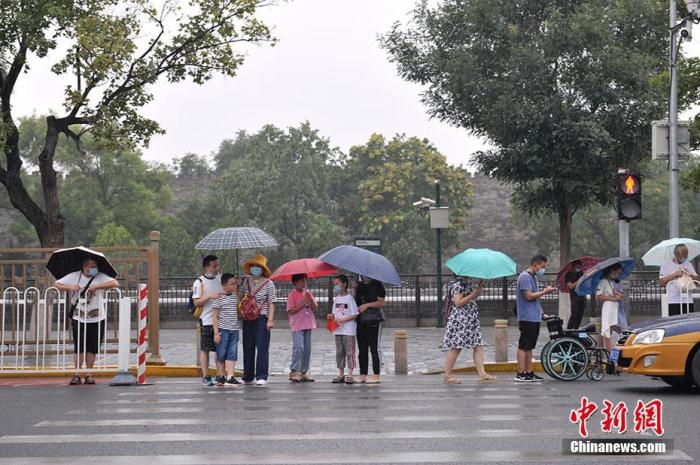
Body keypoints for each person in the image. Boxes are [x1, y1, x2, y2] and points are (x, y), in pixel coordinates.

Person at [54, 257, 119, 385]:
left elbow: (115, 283)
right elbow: (56, 284)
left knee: (92, 347)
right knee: (79, 347)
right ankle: (77, 374)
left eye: (95, 266)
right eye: (90, 266)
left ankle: (89, 374)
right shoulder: (75, 276)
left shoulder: (100, 276)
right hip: (79, 316)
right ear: (84, 266)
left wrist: (97, 286)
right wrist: (71, 287)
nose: (93, 268)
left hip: (97, 316)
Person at [442, 276, 495, 384]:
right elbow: (458, 302)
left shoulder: (466, 283)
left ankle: (482, 374)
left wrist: (478, 291)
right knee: (457, 347)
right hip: (462, 320)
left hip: (470, 319)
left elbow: (470, 299)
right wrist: (473, 294)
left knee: (478, 345)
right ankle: (447, 375)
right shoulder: (459, 284)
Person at [515, 254, 556, 383]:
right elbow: (528, 296)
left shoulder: (532, 277)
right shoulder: (525, 277)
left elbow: (535, 299)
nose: (543, 269)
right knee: (523, 345)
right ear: (535, 264)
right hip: (527, 317)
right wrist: (545, 291)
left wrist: (541, 313)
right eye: (542, 266)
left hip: (534, 316)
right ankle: (521, 373)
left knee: (529, 346)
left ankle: (529, 372)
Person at [241, 255, 276, 387]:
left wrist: (270, 320)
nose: (255, 269)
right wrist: (238, 286)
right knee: (247, 346)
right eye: (253, 266)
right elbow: (240, 298)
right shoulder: (246, 282)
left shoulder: (269, 283)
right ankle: (248, 376)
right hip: (248, 318)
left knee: (262, 347)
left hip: (262, 318)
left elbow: (272, 302)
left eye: (258, 267)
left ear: (263, 269)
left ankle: (261, 375)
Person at [192, 255, 223, 387]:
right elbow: (197, 302)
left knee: (220, 350)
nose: (216, 268)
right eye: (214, 265)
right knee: (205, 349)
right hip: (206, 320)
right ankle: (206, 375)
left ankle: (220, 374)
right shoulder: (199, 282)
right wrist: (209, 296)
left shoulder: (221, 279)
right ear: (206, 267)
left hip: (221, 321)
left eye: (217, 265)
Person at [287, 273, 317, 383]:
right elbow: (291, 311)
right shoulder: (292, 295)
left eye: (305, 281)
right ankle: (294, 371)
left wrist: (310, 299)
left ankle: (304, 372)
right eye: (301, 281)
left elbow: (314, 308)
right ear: (295, 282)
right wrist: (303, 303)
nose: (303, 283)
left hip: (308, 324)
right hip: (297, 325)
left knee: (307, 349)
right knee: (299, 348)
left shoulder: (308, 294)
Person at [354, 276, 386, 384]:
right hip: (361, 320)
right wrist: (355, 290)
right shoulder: (359, 285)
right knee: (362, 348)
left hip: (374, 319)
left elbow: (381, 303)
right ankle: (363, 374)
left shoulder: (378, 284)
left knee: (374, 347)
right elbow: (356, 303)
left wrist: (367, 305)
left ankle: (376, 375)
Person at [212, 273, 241, 386]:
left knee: (232, 353)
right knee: (221, 353)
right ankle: (221, 375)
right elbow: (214, 316)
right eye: (232, 284)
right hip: (223, 330)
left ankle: (230, 376)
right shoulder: (218, 297)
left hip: (234, 330)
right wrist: (216, 333)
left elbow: (241, 302)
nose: (234, 286)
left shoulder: (235, 296)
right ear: (224, 285)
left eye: (235, 283)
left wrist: (239, 284)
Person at [328, 275, 359, 384]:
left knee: (350, 352)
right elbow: (334, 313)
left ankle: (350, 374)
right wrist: (331, 317)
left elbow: (355, 314)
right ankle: (341, 373)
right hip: (338, 330)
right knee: (339, 352)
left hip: (348, 330)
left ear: (344, 284)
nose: (335, 286)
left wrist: (343, 319)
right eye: (334, 284)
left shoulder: (349, 298)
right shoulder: (337, 299)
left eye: (337, 284)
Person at [659, 244, 698, 316]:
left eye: (687, 254)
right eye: (683, 254)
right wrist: (675, 275)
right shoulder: (665, 265)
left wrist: (689, 274)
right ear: (676, 254)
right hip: (672, 301)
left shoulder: (688, 264)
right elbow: (662, 282)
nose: (686, 256)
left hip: (687, 300)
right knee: (673, 323)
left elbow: (697, 281)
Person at [565, 260, 587, 330]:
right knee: (574, 314)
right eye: (577, 266)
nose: (578, 268)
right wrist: (579, 280)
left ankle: (576, 329)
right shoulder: (568, 275)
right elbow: (570, 286)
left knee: (580, 315)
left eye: (579, 266)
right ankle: (569, 330)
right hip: (574, 297)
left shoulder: (581, 273)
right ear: (573, 266)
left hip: (582, 296)